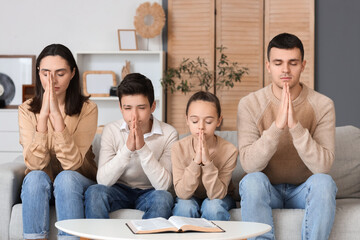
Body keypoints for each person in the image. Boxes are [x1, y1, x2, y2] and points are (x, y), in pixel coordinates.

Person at [237, 32, 337, 239]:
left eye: (293, 63)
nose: (285, 70)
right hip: (268, 190)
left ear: (303, 65)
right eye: (278, 63)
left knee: (325, 183)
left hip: (303, 190)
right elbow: (248, 164)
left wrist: (295, 127)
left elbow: (323, 166)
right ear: (268, 66)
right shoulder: (250, 104)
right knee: (251, 181)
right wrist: (277, 128)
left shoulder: (323, 105)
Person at [19, 44, 98, 240]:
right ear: (39, 73)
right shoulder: (26, 110)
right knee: (34, 177)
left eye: (60, 73)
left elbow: (72, 164)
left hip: (77, 181)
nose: (51, 80)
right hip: (42, 182)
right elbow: (35, 164)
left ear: (72, 73)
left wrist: (55, 114)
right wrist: (43, 117)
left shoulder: (88, 108)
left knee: (66, 178)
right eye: (45, 73)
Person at [84, 73, 178, 219]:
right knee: (95, 192)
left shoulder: (169, 133)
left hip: (151, 191)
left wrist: (142, 149)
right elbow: (102, 181)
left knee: (163, 198)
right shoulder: (111, 130)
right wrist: (127, 149)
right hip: (118, 189)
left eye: (141, 108)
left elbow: (164, 186)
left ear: (152, 106)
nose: (134, 116)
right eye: (127, 108)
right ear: (120, 108)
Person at [171, 91, 238, 220]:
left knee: (212, 207)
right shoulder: (178, 148)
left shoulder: (230, 150)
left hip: (220, 196)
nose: (201, 127)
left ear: (219, 121)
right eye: (195, 121)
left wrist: (207, 163)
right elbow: (182, 193)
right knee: (185, 207)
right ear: (187, 120)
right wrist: (196, 162)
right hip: (190, 196)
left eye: (208, 122)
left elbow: (217, 194)